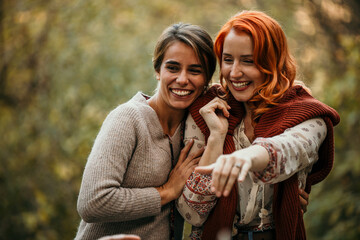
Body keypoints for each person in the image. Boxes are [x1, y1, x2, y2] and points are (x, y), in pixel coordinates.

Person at [176, 10, 340, 240]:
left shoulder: (308, 114)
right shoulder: (207, 111)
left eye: (248, 61)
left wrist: (246, 157)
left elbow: (289, 149)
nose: (234, 73)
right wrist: (216, 136)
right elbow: (191, 213)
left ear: (273, 62)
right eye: (227, 59)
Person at [74, 22, 217, 240]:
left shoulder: (195, 129)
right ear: (157, 70)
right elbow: (92, 202)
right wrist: (167, 191)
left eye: (195, 71)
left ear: (206, 79)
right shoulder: (127, 118)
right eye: (173, 67)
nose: (182, 79)